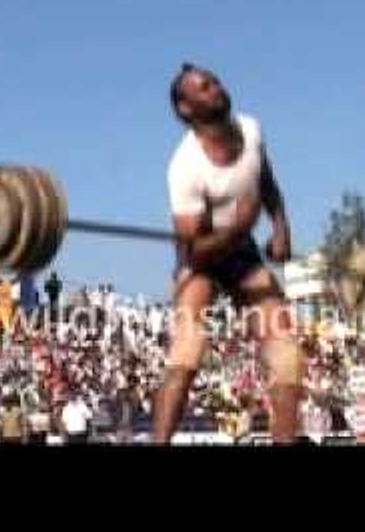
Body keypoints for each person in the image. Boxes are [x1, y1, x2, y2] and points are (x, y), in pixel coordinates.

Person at [153, 63, 303, 444]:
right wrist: (238, 226)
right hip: (199, 260)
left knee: (287, 358)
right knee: (187, 357)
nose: (215, 89)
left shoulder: (251, 130)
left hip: (243, 255)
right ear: (186, 109)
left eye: (214, 81)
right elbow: (194, 246)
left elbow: (265, 180)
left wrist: (280, 228)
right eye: (203, 88)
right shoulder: (184, 167)